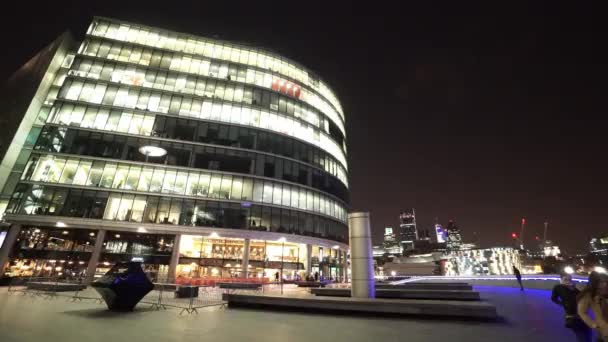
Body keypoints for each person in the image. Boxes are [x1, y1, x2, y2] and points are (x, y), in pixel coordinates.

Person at [552, 273, 591, 341]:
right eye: (565, 279)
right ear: (560, 280)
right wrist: (562, 304)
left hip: (582, 314)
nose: (568, 281)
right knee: (581, 336)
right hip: (572, 316)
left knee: (588, 333)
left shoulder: (575, 287)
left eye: (570, 279)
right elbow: (553, 298)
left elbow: (583, 296)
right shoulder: (558, 287)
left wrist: (575, 288)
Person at [578, 272, 608, 341]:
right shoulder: (589, 295)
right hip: (605, 329)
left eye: (606, 281)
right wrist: (593, 324)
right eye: (601, 282)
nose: (605, 284)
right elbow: (582, 312)